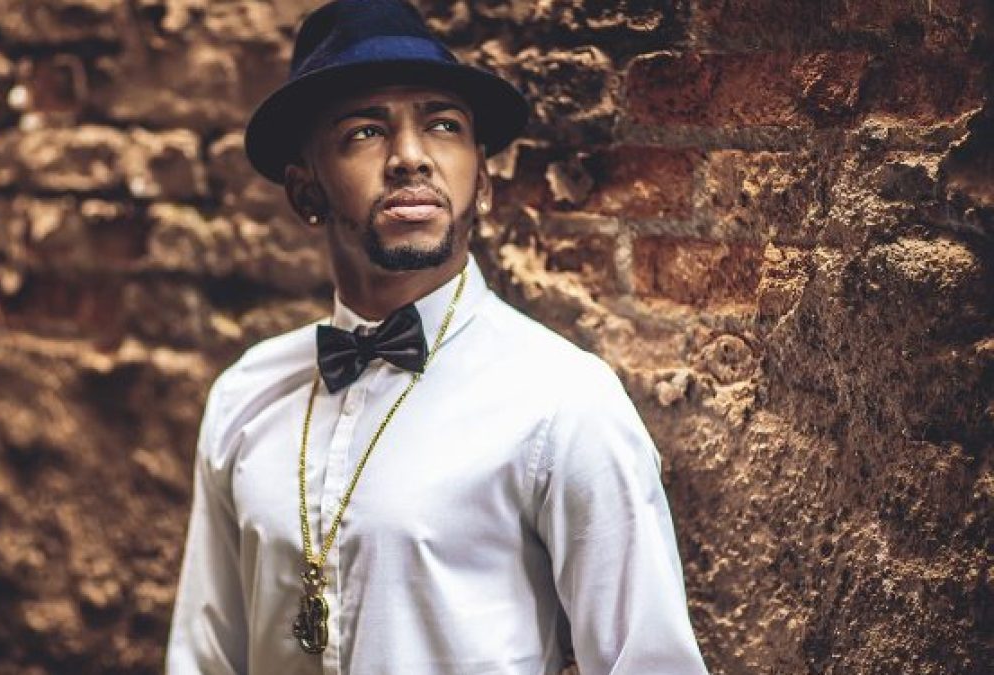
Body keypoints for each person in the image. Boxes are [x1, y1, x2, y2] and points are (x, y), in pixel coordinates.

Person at [166, 1, 708, 673]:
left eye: (443, 125)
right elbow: (205, 657)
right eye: (365, 131)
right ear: (306, 192)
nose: (410, 158)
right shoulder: (244, 395)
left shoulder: (564, 402)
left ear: (482, 181)